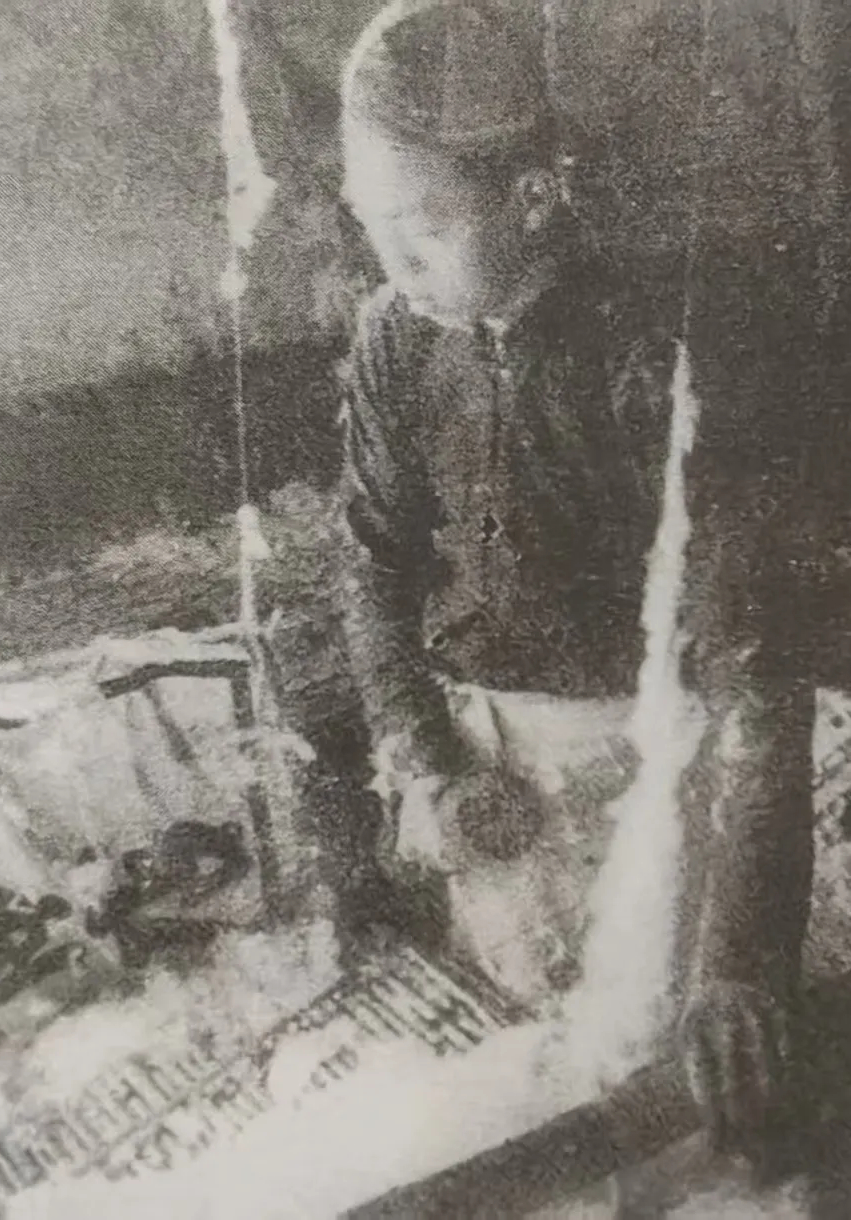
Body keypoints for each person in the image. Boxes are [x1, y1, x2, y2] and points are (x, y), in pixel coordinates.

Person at [336, 0, 681, 1001]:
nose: (395, 269)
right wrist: (427, 762)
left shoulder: (637, 350)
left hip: (643, 731)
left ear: (533, 198)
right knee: (520, 996)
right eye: (370, 227)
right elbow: (372, 558)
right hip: (481, 740)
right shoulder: (395, 335)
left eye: (422, 228)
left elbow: (720, 609)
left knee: (647, 1000)